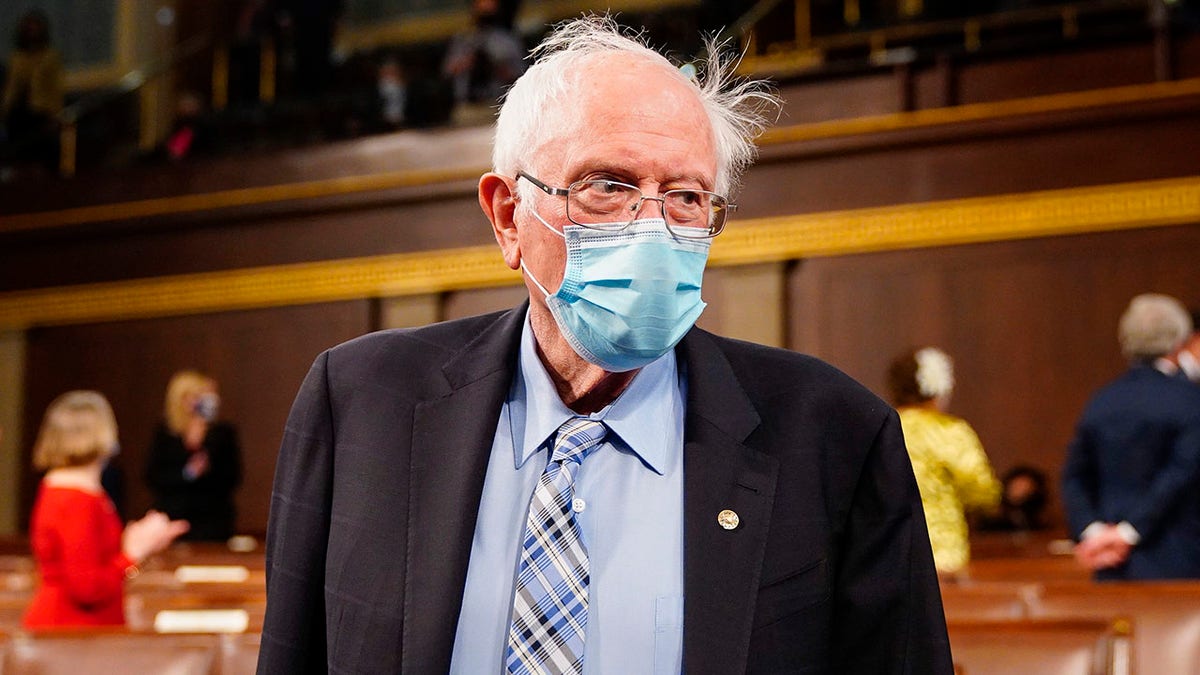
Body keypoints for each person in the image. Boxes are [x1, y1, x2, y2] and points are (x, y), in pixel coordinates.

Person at [259, 16, 952, 674]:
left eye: (684, 196)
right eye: (607, 186)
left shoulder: (835, 436)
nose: (651, 227)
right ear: (508, 216)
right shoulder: (358, 402)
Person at [1061, 293, 1200, 580]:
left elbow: (1073, 475)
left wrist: (1094, 531)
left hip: (1111, 565)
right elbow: (1181, 474)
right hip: (1180, 564)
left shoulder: (1102, 400)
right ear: (1180, 341)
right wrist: (1128, 532)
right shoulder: (1190, 400)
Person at [23, 391, 189, 628]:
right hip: (72, 630)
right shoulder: (75, 498)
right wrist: (132, 554)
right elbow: (87, 588)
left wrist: (138, 541)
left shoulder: (71, 489)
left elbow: (88, 555)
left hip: (79, 627)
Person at [886, 347, 1001, 577]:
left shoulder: (883, 428)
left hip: (889, 553)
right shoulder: (949, 432)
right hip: (941, 555)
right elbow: (981, 490)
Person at [144, 370, 242, 542]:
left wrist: (207, 460)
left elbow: (233, 477)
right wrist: (187, 473)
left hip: (213, 522)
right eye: (196, 396)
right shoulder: (166, 434)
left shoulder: (222, 434)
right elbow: (153, 476)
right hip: (175, 518)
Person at [441, 0, 526, 124]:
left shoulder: (507, 40)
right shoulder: (464, 39)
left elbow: (521, 75)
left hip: (497, 106)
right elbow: (447, 71)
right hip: (467, 108)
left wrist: (498, 67)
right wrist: (469, 61)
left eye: (489, 7)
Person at [0, 9, 63, 173]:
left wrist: (54, 114)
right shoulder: (17, 58)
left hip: (41, 110)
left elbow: (55, 88)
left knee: (45, 149)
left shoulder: (50, 56)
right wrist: (4, 112)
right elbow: (11, 88)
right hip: (18, 112)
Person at [977, 464, 1051, 532]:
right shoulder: (992, 523)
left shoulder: (1038, 524)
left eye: (1024, 487)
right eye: (1016, 487)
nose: (1020, 491)